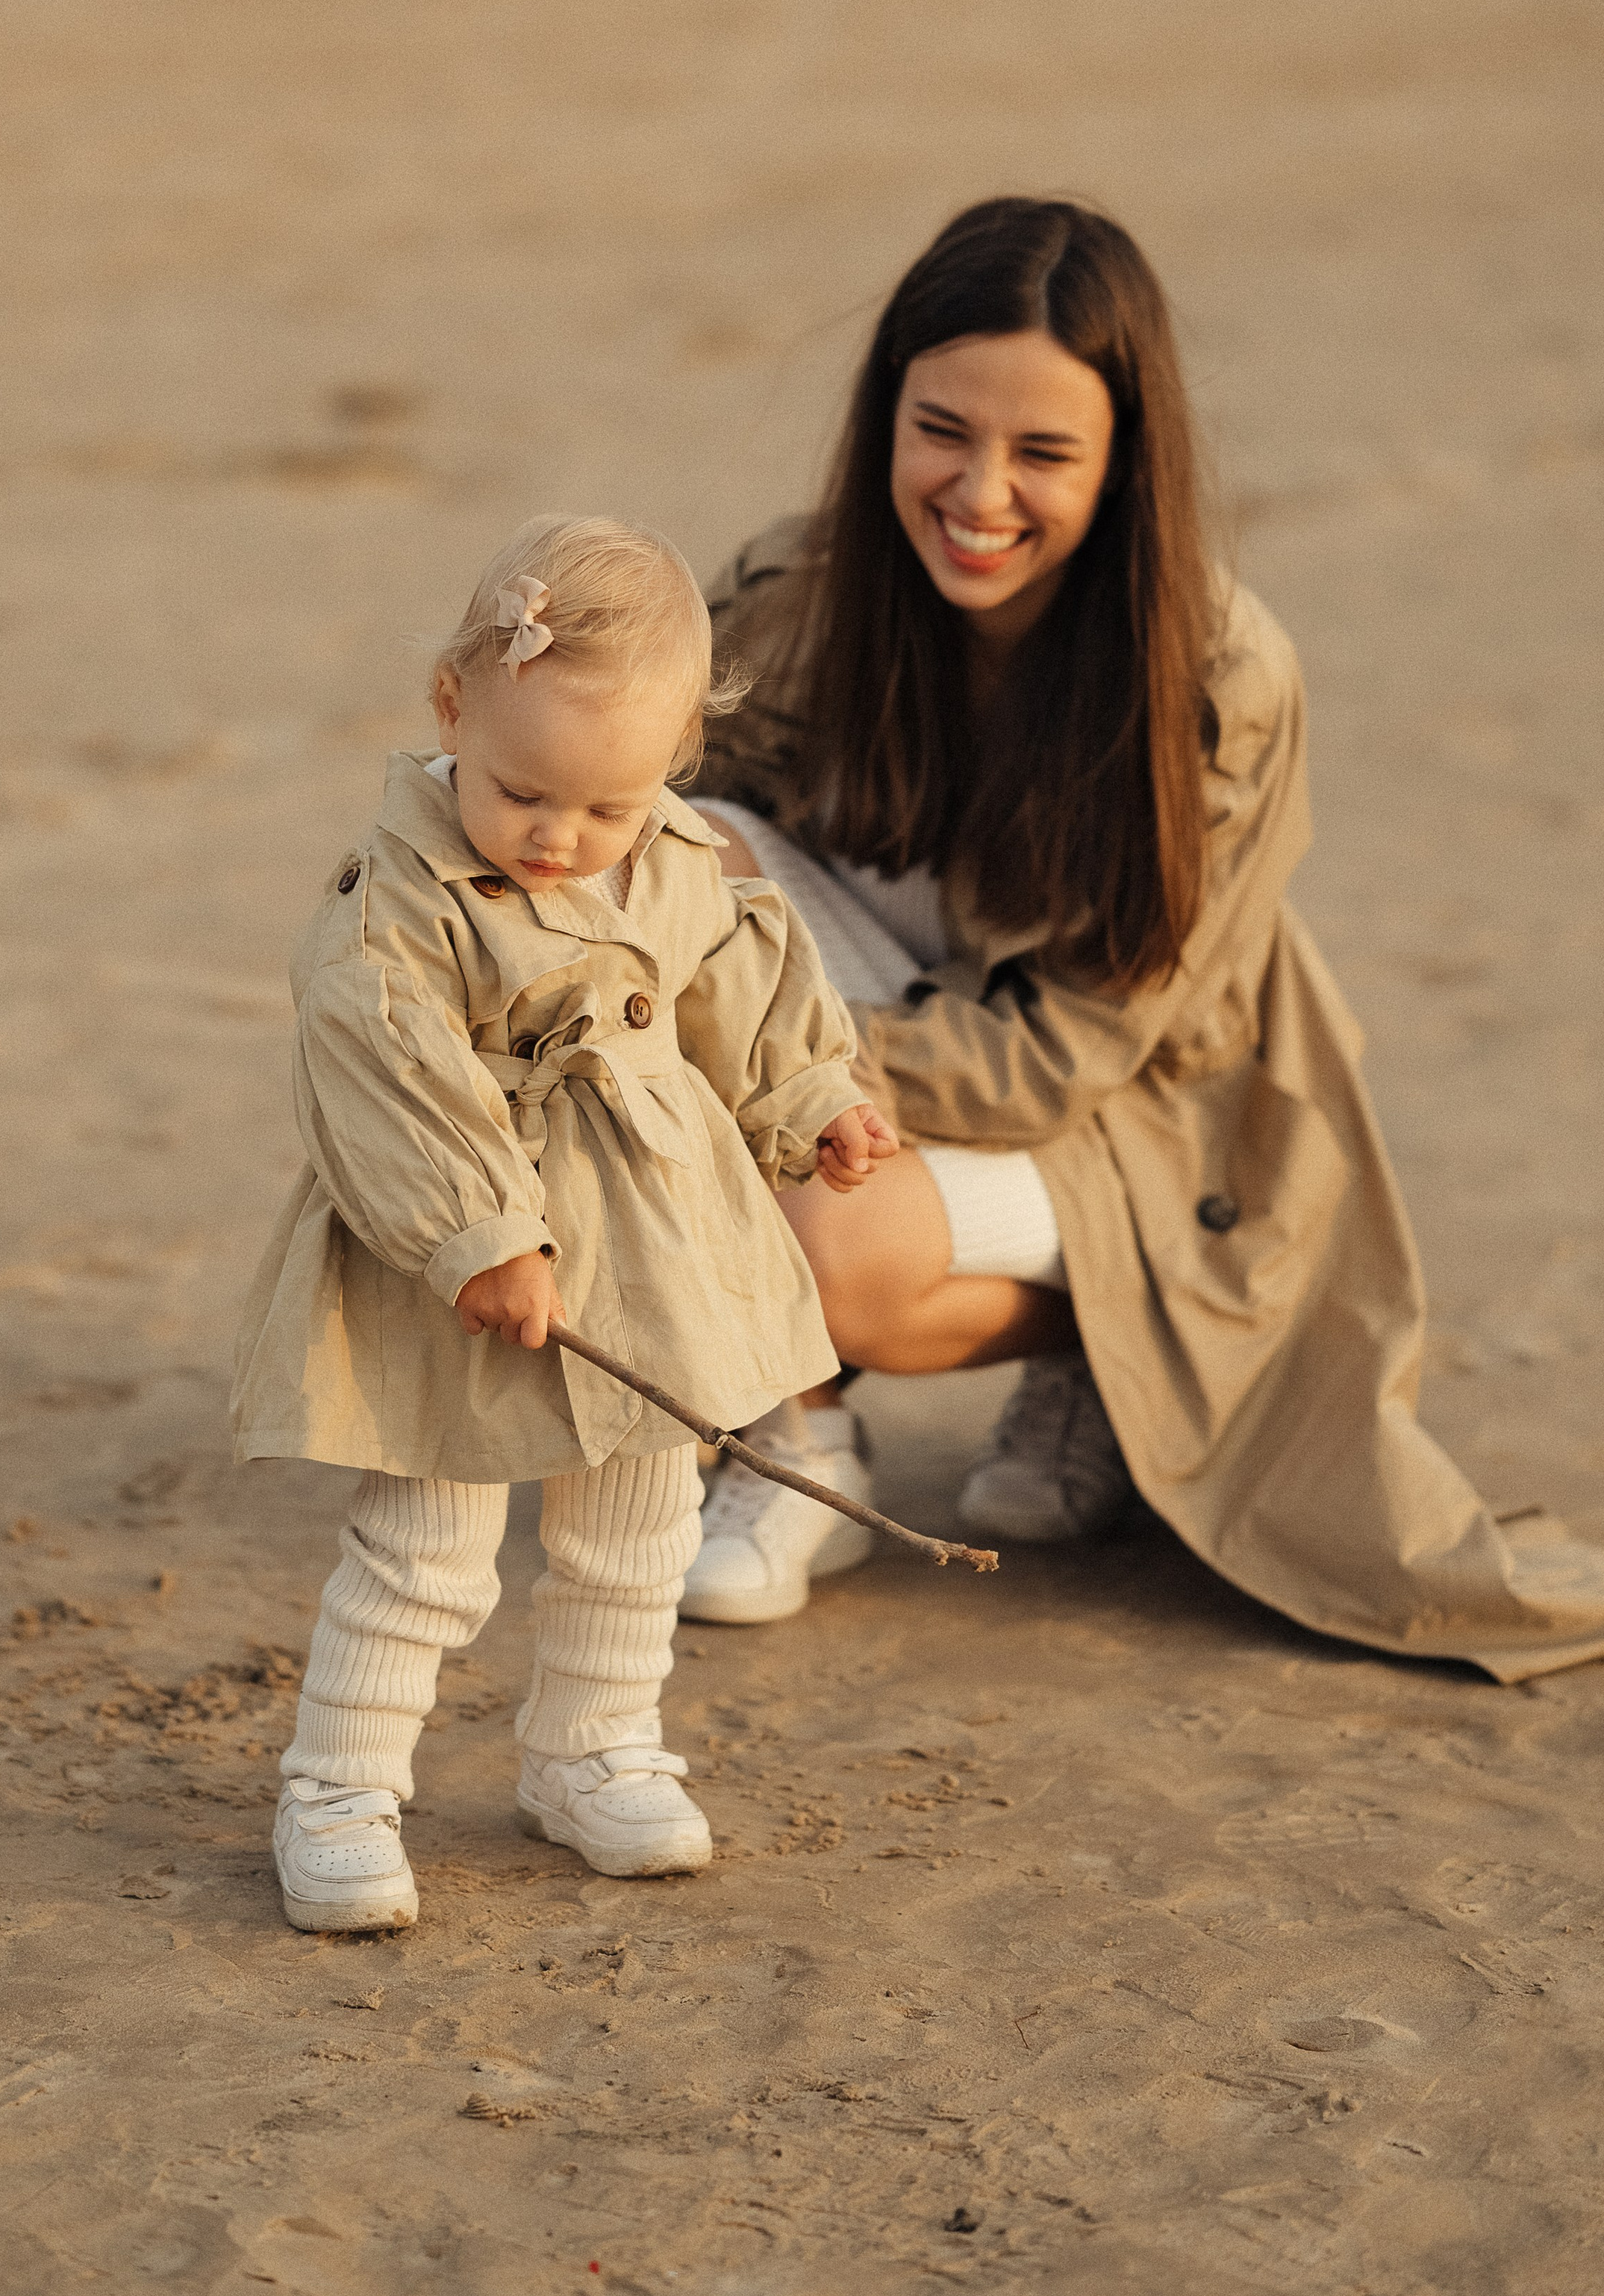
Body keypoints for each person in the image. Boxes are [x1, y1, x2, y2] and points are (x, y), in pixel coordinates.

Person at [680, 194, 1604, 1682]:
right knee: (664, 870)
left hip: (1141, 1106)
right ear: (884, 415)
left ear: (1122, 461)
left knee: (838, 1253)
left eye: (1043, 452)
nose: (980, 492)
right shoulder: (798, 595)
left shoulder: (1213, 677)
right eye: (941, 431)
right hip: (895, 1023)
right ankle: (803, 1446)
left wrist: (786, 1071)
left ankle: (1101, 1347)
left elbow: (1056, 1061)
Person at [231, 516, 895, 1932]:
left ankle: (592, 1753)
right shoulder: (396, 905)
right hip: (463, 1265)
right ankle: (339, 1790)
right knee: (427, 1545)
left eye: (606, 807)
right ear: (452, 707)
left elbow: (740, 992)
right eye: (524, 792)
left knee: (641, 1523)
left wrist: (813, 1099)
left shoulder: (671, 857)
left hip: (648, 1245)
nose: (559, 838)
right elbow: (386, 1069)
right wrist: (479, 1232)